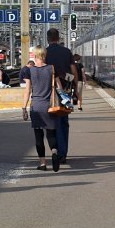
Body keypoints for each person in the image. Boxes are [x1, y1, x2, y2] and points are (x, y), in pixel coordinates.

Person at [22, 46, 61, 172]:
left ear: (34, 55)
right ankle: (54, 152)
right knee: (51, 134)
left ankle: (43, 164)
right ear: (45, 55)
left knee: (39, 136)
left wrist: (24, 107)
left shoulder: (29, 71)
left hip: (36, 106)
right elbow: (59, 87)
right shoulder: (52, 68)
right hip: (49, 106)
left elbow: (27, 90)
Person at [44, 28, 78, 163]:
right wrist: (74, 86)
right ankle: (63, 153)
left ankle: (55, 149)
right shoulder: (66, 52)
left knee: (51, 121)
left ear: (48, 39)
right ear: (58, 38)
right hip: (65, 92)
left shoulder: (45, 53)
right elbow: (73, 71)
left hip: (48, 92)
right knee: (63, 122)